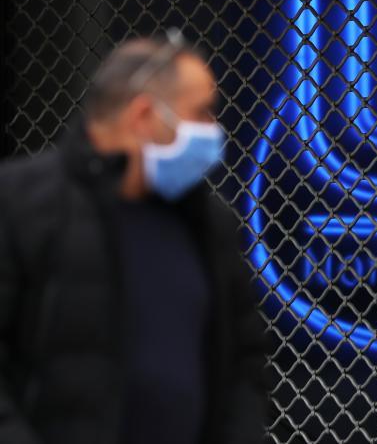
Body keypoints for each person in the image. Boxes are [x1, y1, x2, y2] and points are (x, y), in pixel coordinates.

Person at [0, 34, 267, 444]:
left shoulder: (208, 224)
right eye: (200, 112)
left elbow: (243, 364)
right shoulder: (21, 204)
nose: (213, 130)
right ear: (144, 115)